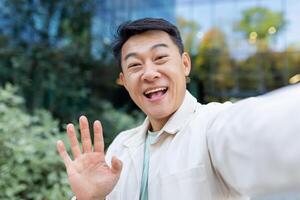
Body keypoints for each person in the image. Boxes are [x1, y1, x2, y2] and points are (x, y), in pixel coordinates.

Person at [56, 18, 300, 200]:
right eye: (135, 65)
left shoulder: (212, 125)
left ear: (185, 64)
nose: (149, 73)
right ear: (123, 80)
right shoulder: (121, 146)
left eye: (160, 58)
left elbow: (261, 131)